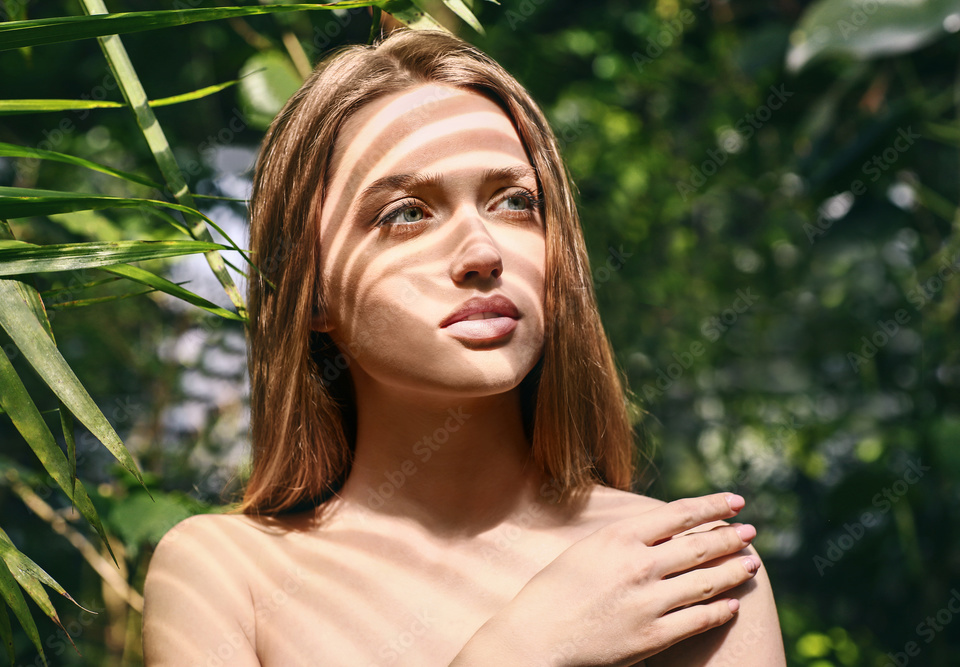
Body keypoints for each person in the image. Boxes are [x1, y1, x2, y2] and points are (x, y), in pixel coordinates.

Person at [142, 27, 785, 666]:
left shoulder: (680, 569)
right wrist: (523, 650)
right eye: (406, 213)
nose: (483, 253)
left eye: (514, 203)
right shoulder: (227, 576)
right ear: (311, 292)